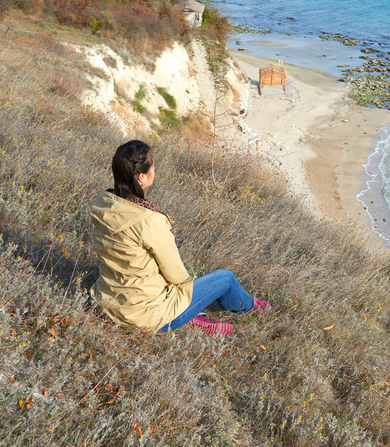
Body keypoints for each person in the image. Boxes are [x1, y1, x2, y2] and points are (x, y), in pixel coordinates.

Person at [89, 140, 271, 336]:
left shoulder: (102, 204)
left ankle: (195, 316)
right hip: (145, 314)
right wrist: (189, 295)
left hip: (107, 299)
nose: (155, 171)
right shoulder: (149, 220)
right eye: (154, 167)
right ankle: (249, 307)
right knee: (225, 279)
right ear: (141, 177)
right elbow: (176, 275)